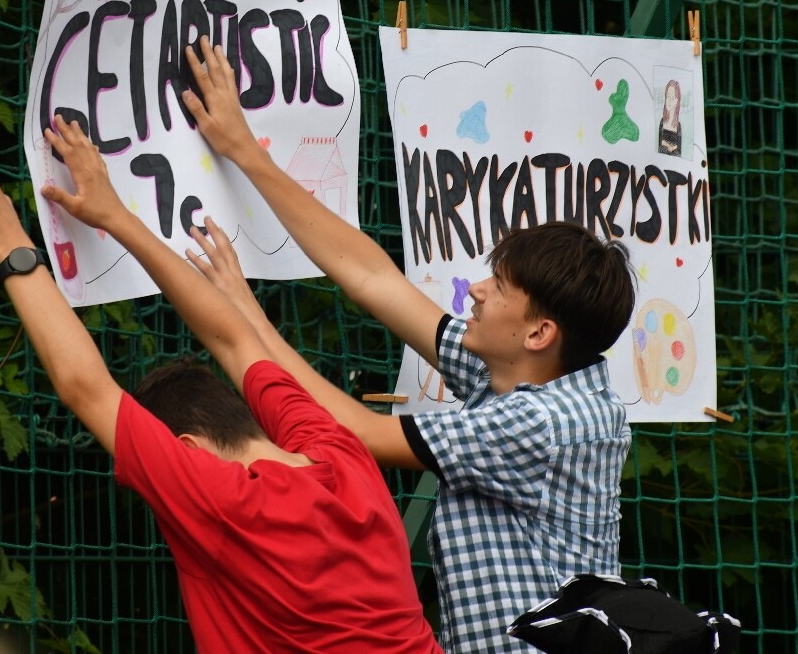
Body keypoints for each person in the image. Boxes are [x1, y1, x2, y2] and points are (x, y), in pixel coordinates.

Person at [179, 37, 638, 653]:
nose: (475, 290)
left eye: (498, 287)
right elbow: (374, 279)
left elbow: (355, 432)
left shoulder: (536, 420)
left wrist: (242, 314)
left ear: (538, 333)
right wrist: (244, 150)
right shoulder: (522, 376)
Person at [0, 120, 442, 654]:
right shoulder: (343, 456)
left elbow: (87, 389)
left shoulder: (224, 501)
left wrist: (8, 239)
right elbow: (237, 342)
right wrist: (116, 218)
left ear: (188, 449)